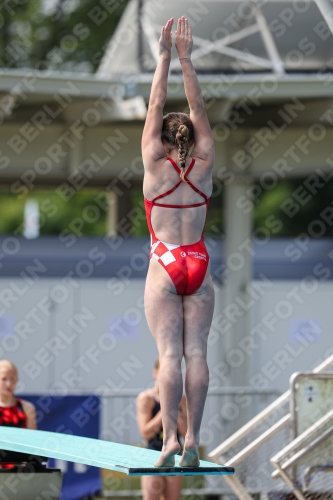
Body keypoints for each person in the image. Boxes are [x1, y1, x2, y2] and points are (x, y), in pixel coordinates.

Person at [142, 16, 215, 468]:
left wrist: (165, 55)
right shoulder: (204, 159)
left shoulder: (154, 161)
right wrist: (188, 58)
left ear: (162, 139)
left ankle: (169, 439)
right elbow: (198, 105)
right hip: (199, 261)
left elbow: (154, 102)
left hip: (166, 262)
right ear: (189, 137)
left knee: (169, 355)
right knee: (197, 355)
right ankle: (194, 441)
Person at [137, 359, 187, 500]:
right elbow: (145, 433)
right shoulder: (146, 398)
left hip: (175, 457)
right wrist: (165, 410)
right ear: (156, 373)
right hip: (153, 455)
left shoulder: (181, 400)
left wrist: (175, 407)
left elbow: (186, 433)